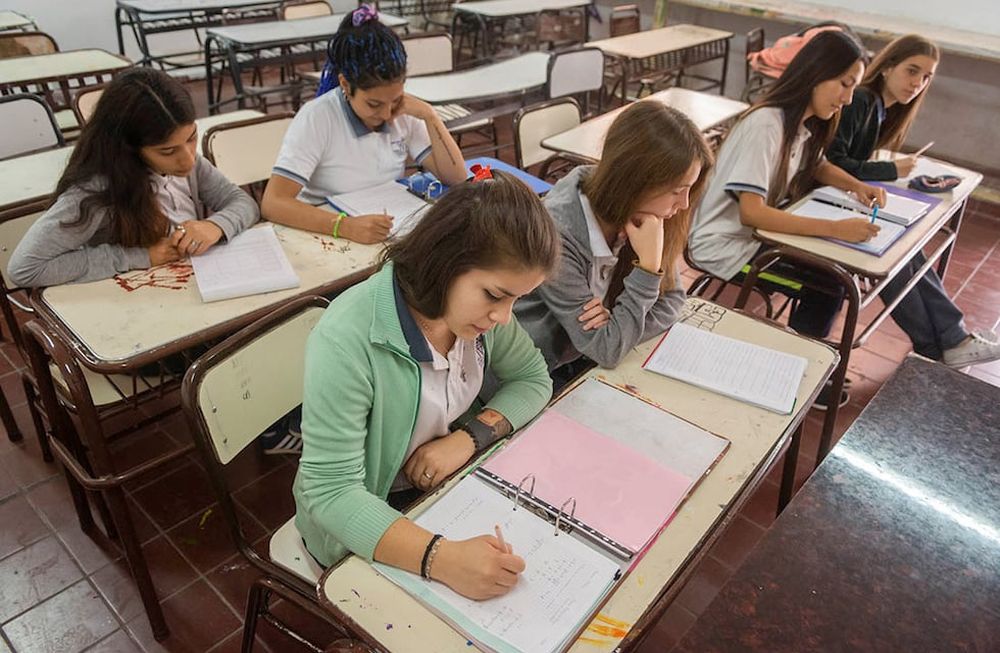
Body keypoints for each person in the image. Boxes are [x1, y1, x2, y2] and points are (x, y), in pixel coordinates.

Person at [294, 170, 558, 599]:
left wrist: (468, 439)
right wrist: (443, 559)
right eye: (494, 295)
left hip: (443, 488)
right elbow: (331, 492)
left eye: (517, 299)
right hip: (361, 517)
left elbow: (532, 379)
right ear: (445, 263)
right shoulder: (347, 338)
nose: (504, 317)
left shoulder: (480, 317)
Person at [688, 30, 887, 408]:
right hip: (726, 247)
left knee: (832, 271)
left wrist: (855, 184)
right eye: (844, 84)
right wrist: (837, 230)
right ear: (816, 73)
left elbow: (815, 164)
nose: (847, 98)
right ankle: (791, 374)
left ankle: (798, 361)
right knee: (830, 283)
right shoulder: (767, 124)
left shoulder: (800, 123)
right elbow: (752, 212)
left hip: (755, 239)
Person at [826, 34, 1000, 367]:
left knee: (908, 249)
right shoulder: (862, 100)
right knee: (896, 252)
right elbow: (835, 161)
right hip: (830, 206)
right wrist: (891, 168)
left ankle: (951, 340)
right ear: (888, 66)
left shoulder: (880, 110)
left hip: (844, 200)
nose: (917, 83)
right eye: (912, 71)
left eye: (926, 77)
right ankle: (943, 345)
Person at [516, 102, 712, 388]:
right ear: (634, 180)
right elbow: (606, 350)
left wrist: (620, 326)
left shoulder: (648, 218)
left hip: (582, 362)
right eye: (677, 191)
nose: (683, 205)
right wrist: (646, 270)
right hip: (537, 373)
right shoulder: (558, 234)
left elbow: (672, 300)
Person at [7, 68, 258, 288]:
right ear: (129, 149)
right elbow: (25, 268)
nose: (188, 159)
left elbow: (243, 203)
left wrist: (215, 226)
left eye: (192, 137)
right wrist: (140, 257)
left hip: (189, 286)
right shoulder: (94, 193)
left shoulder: (190, 164)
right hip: (135, 302)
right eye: (167, 151)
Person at [261, 4, 467, 245]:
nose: (387, 113)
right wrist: (344, 226)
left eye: (395, 99)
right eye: (373, 104)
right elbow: (273, 203)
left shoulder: (403, 111)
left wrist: (430, 116)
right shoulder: (318, 117)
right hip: (326, 235)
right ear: (346, 85)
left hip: (383, 232)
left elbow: (457, 178)